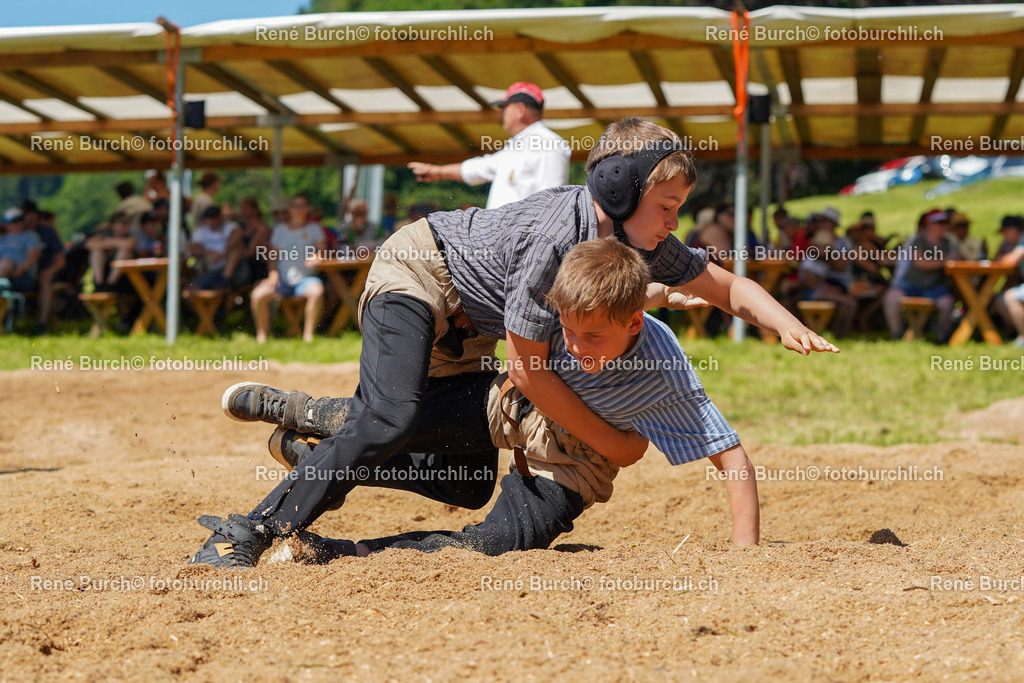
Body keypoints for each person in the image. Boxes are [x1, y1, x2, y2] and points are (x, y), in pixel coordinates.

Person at [189, 117, 837, 569]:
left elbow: (727, 286)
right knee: (392, 413)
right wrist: (620, 444)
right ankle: (247, 531)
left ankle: (321, 433)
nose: (674, 222)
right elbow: (528, 372)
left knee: (469, 482)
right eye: (667, 205)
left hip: (469, 322)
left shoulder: (642, 242)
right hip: (421, 269)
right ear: (619, 191)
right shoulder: (560, 236)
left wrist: (784, 321)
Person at [251, 238, 761, 562]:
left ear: (629, 326)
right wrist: (665, 292)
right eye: (569, 331)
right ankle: (302, 411)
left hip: (576, 461)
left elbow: (731, 457)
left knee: (491, 547)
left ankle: (334, 548)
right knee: (398, 418)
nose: (577, 347)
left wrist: (745, 557)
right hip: (523, 404)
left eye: (593, 338)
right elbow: (630, 297)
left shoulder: (663, 371)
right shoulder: (579, 309)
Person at [407, 82, 570, 208]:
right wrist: (438, 171)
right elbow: (480, 167)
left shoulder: (549, 144)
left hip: (528, 245)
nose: (500, 113)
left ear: (520, 110)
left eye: (503, 108)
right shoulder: (518, 145)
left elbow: (553, 201)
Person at [250, 193, 326, 344]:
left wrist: (318, 256)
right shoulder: (280, 230)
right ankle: (262, 336)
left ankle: (308, 336)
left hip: (306, 280)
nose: (297, 210)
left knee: (317, 292)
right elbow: (273, 256)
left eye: (301, 206)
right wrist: (273, 274)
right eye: (294, 206)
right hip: (282, 281)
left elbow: (323, 251)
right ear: (289, 209)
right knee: (257, 295)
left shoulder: (315, 228)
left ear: (307, 209)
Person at [882, 209, 960, 342]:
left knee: (946, 302)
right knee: (891, 297)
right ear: (928, 226)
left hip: (934, 287)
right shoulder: (918, 240)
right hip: (910, 285)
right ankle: (896, 335)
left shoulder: (949, 243)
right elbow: (920, 262)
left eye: (944, 223)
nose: (942, 227)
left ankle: (940, 336)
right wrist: (944, 261)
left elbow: (958, 258)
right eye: (938, 223)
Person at [24, 203, 66, 335]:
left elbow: (60, 260)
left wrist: (50, 270)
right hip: (21, 274)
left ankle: (42, 323)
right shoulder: (15, 231)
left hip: (43, 273)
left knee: (45, 278)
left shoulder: (47, 232)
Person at [187, 206, 249, 291]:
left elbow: (238, 236)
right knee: (190, 289)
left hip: (233, 268)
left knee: (236, 251)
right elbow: (194, 249)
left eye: (215, 217)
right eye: (211, 218)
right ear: (206, 220)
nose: (214, 221)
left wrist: (223, 253)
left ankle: (225, 280)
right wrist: (211, 253)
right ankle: (222, 283)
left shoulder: (231, 226)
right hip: (211, 268)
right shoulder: (201, 231)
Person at [992, 215, 1024, 346]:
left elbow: (1010, 261)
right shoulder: (1013, 243)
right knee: (998, 301)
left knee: (1010, 297)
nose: (1003, 237)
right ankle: (1015, 333)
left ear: (1012, 230)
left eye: (1004, 233)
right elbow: (997, 259)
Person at [0, 207, 42, 292]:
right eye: (14, 222)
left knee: (6, 263)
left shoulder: (30, 236)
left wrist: (20, 269)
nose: (18, 224)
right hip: (5, 272)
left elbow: (33, 256)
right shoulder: (2, 238)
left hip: (22, 274)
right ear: (6, 224)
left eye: (20, 221)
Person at [239, 196, 270, 283]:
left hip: (255, 266)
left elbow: (250, 252)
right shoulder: (241, 227)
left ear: (254, 209)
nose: (242, 210)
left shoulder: (261, 228)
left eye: (245, 207)